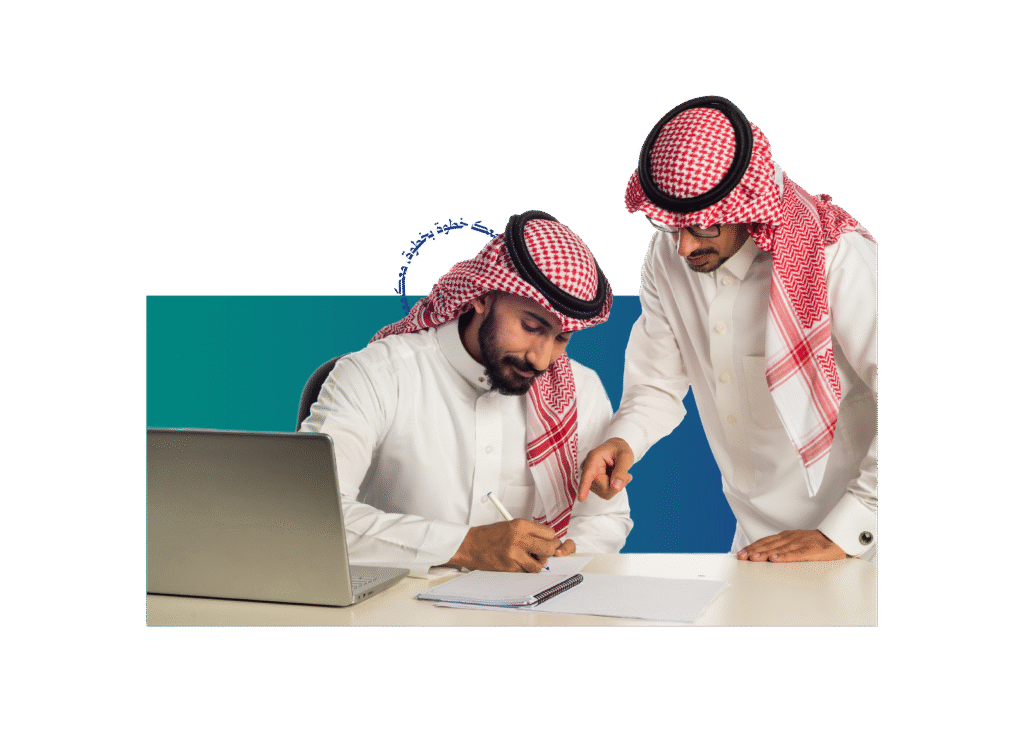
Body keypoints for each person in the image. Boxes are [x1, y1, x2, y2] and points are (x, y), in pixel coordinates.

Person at [579, 96, 877, 563]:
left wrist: (847, 531)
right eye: (670, 225)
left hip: (861, 545)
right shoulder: (666, 259)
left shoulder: (835, 257)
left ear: (749, 204)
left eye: (703, 227)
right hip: (756, 546)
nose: (684, 247)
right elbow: (656, 384)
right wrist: (624, 440)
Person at [301, 211, 632, 576]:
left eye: (561, 338)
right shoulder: (378, 374)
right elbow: (309, 516)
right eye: (530, 327)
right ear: (483, 297)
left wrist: (568, 552)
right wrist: (465, 545)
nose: (541, 359)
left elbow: (606, 518)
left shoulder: (578, 390)